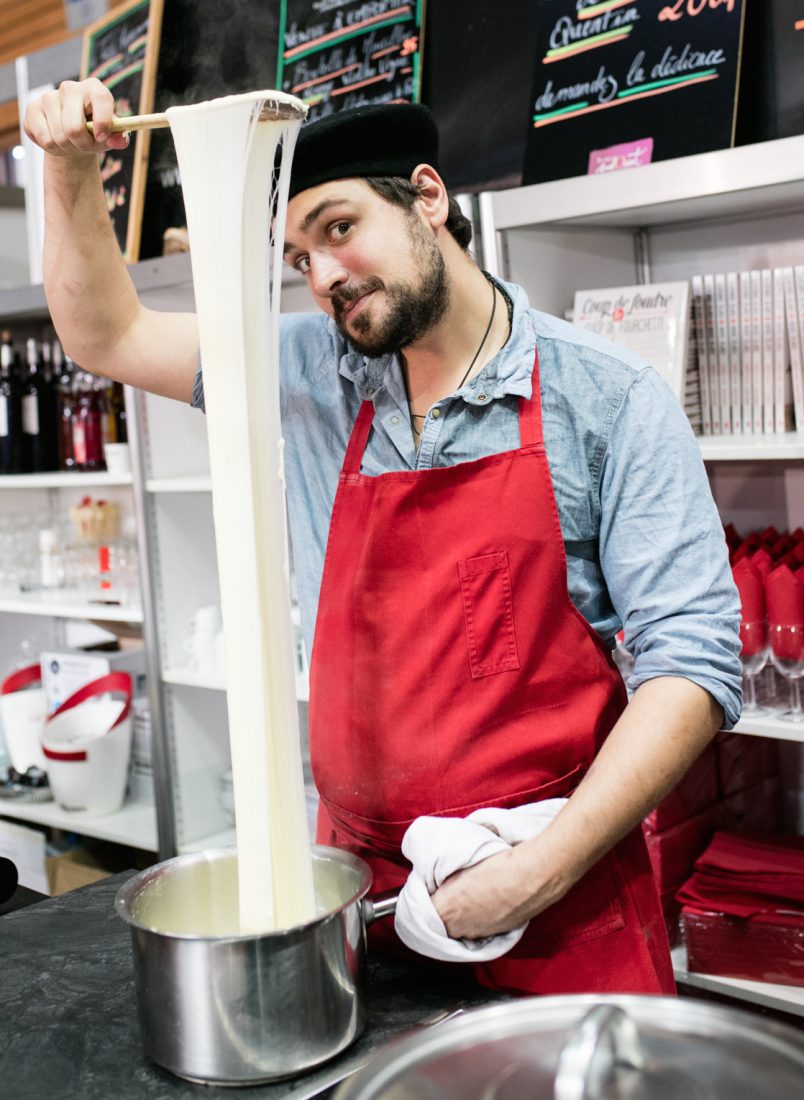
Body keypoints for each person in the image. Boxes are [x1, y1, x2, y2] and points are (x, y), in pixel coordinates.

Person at [24, 80, 741, 996]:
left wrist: (534, 874)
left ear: (429, 198)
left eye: (338, 228)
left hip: (556, 898)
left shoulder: (606, 398)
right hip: (362, 902)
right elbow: (104, 332)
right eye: (297, 257)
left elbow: (693, 664)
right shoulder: (309, 373)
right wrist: (69, 171)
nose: (322, 277)